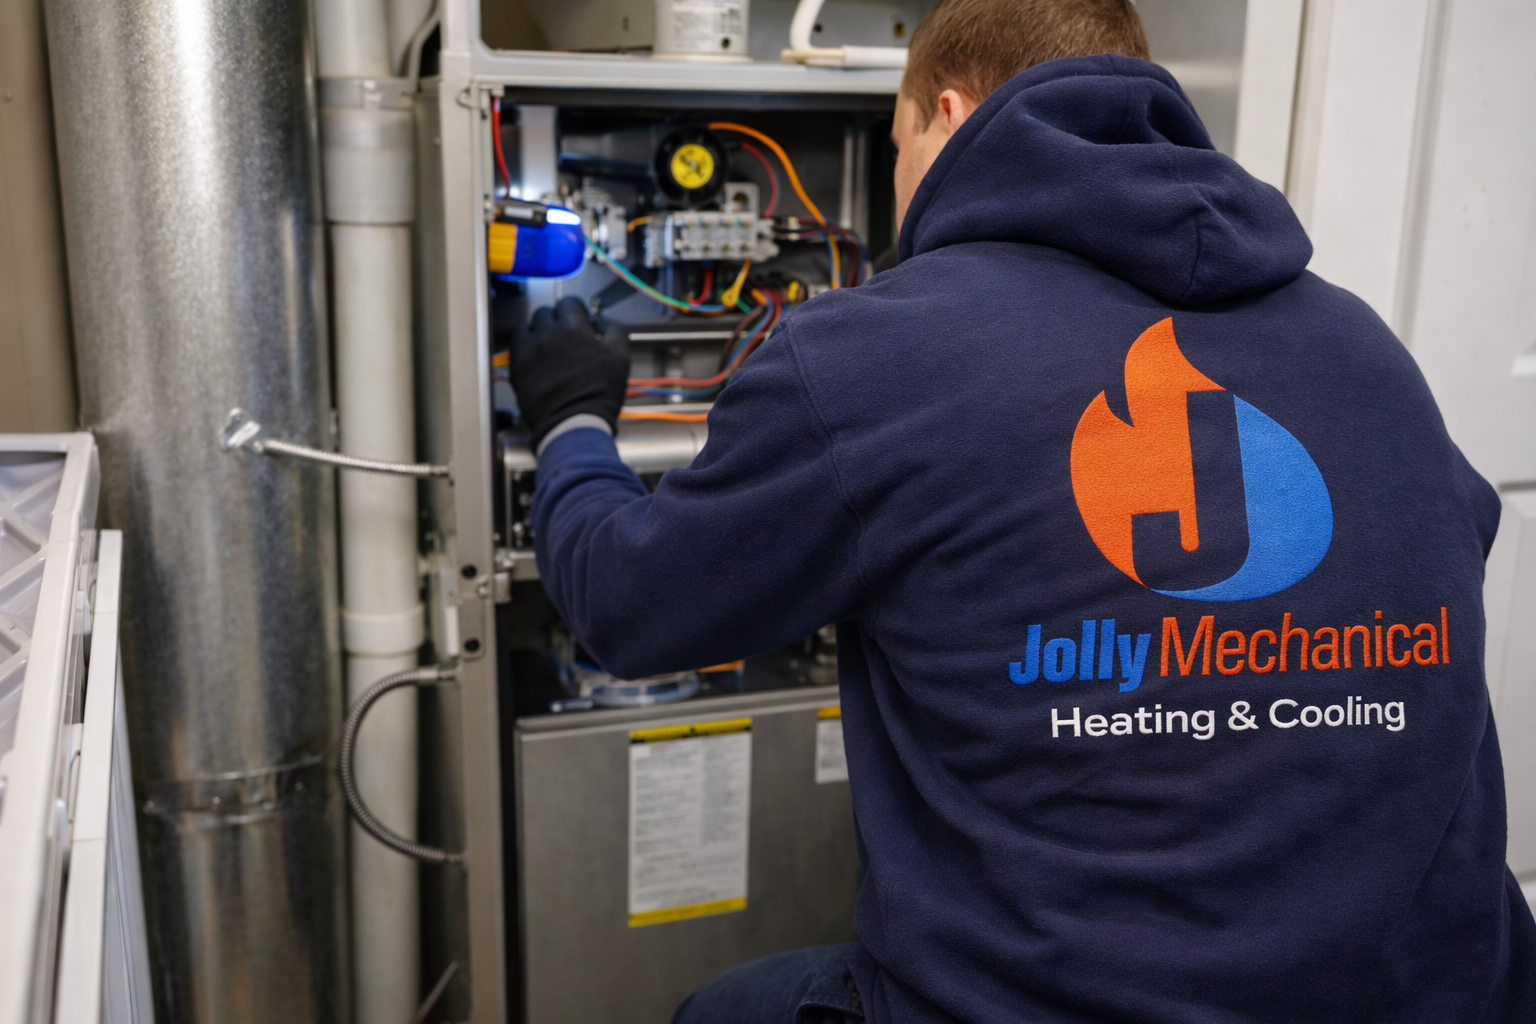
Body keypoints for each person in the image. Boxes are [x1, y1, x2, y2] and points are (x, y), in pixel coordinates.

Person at [508, 0, 1536, 1019]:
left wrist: (568, 418)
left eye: (898, 143)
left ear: (947, 114)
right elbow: (1449, 550)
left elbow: (627, 602)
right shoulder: (1363, 346)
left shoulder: (872, 357)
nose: (901, 191)